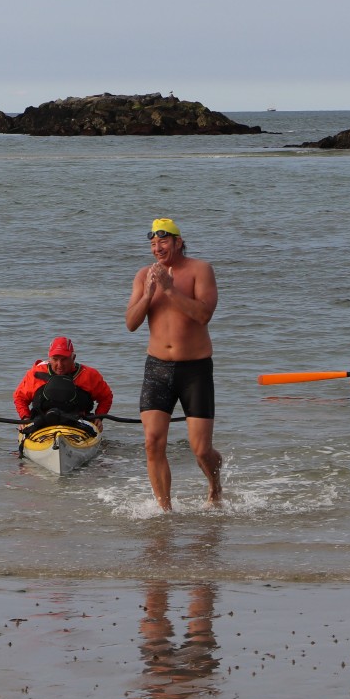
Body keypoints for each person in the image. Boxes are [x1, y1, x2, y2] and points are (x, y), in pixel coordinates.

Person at [125, 217, 222, 510]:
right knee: (153, 442)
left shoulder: (200, 270)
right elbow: (131, 323)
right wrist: (149, 294)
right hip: (157, 368)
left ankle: (215, 487)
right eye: (153, 243)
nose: (157, 248)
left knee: (201, 449)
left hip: (195, 370)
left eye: (163, 241)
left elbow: (203, 315)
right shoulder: (144, 275)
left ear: (179, 242)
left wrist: (170, 290)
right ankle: (164, 511)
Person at [13, 336, 114, 431]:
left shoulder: (89, 375)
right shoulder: (35, 374)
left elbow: (106, 396)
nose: (59, 365)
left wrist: (99, 417)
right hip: (43, 422)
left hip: (79, 422)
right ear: (49, 359)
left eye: (64, 359)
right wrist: (25, 418)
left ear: (73, 358)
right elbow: (20, 397)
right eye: (55, 359)